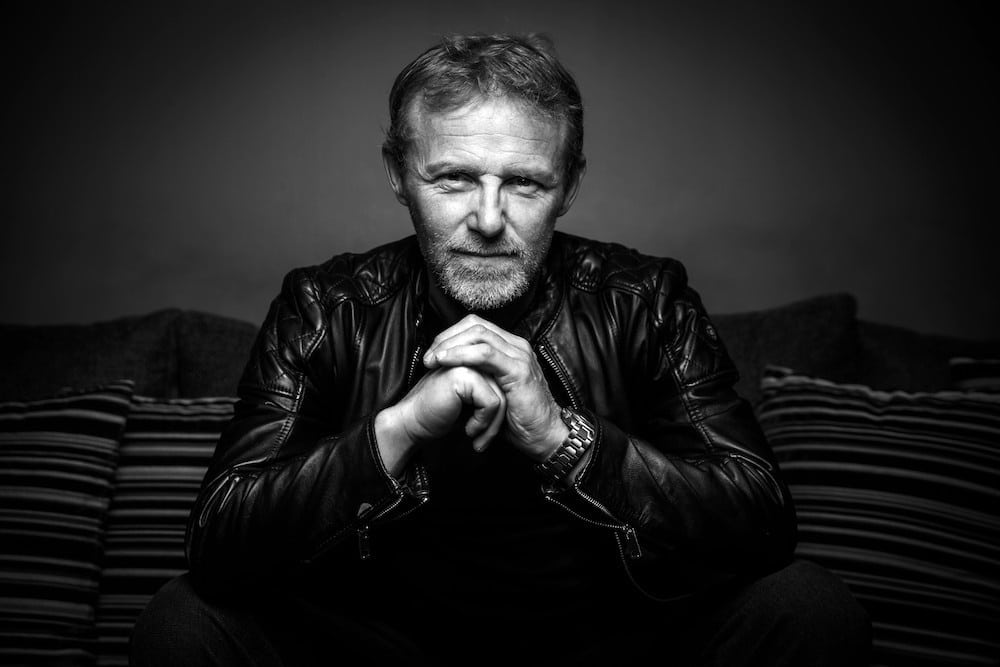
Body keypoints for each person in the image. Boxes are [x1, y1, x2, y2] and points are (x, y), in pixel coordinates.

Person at [131, 33, 870, 665]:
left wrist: (561, 437)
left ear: (568, 186)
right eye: (454, 178)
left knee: (808, 605)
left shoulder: (643, 300)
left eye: (523, 183)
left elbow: (761, 519)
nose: (488, 219)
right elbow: (218, 539)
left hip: (610, 642)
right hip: (379, 646)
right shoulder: (327, 309)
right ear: (398, 175)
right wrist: (398, 429)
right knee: (184, 619)